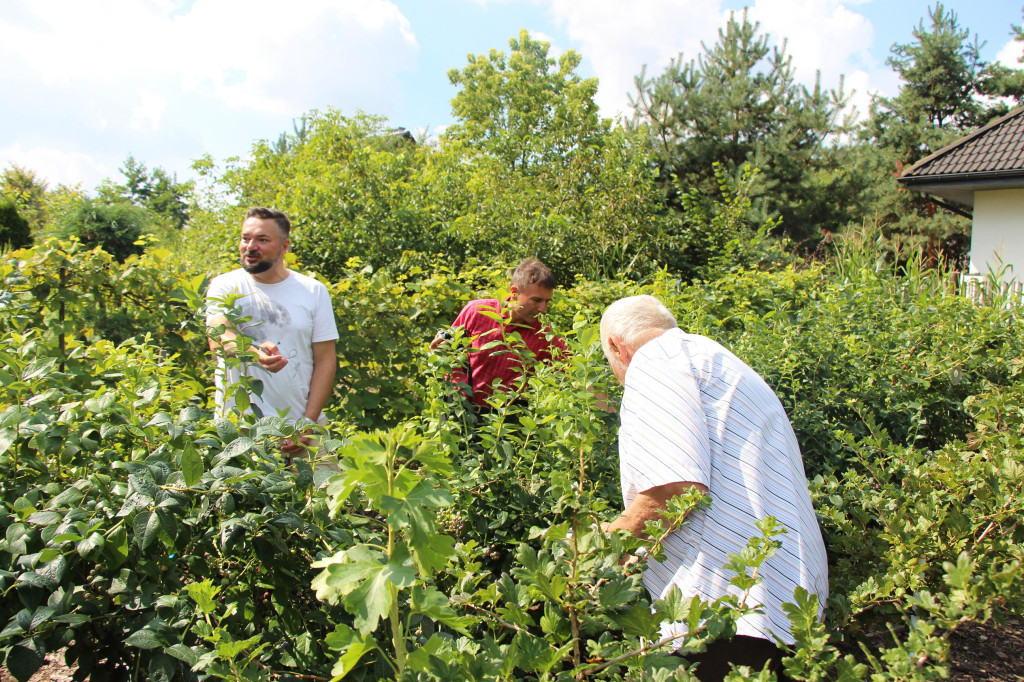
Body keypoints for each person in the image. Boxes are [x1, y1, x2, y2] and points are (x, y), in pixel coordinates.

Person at [599, 295, 828, 681]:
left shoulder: (655, 362)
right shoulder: (708, 359)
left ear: (616, 347)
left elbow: (677, 487)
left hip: (727, 606)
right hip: (781, 601)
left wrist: (603, 547)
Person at [206, 207, 338, 454]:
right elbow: (218, 337)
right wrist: (254, 352)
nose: (250, 246)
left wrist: (307, 424)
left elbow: (326, 360)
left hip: (302, 426)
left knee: (323, 490)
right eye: (246, 238)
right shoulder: (225, 285)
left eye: (262, 240)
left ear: (284, 246)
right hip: (240, 429)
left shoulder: (313, 291)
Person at [430, 258, 567, 411]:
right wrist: (439, 348)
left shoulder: (544, 334)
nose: (543, 308)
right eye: (536, 300)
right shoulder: (478, 311)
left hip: (500, 423)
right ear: (514, 292)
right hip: (456, 409)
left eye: (547, 301)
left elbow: (575, 370)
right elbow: (447, 346)